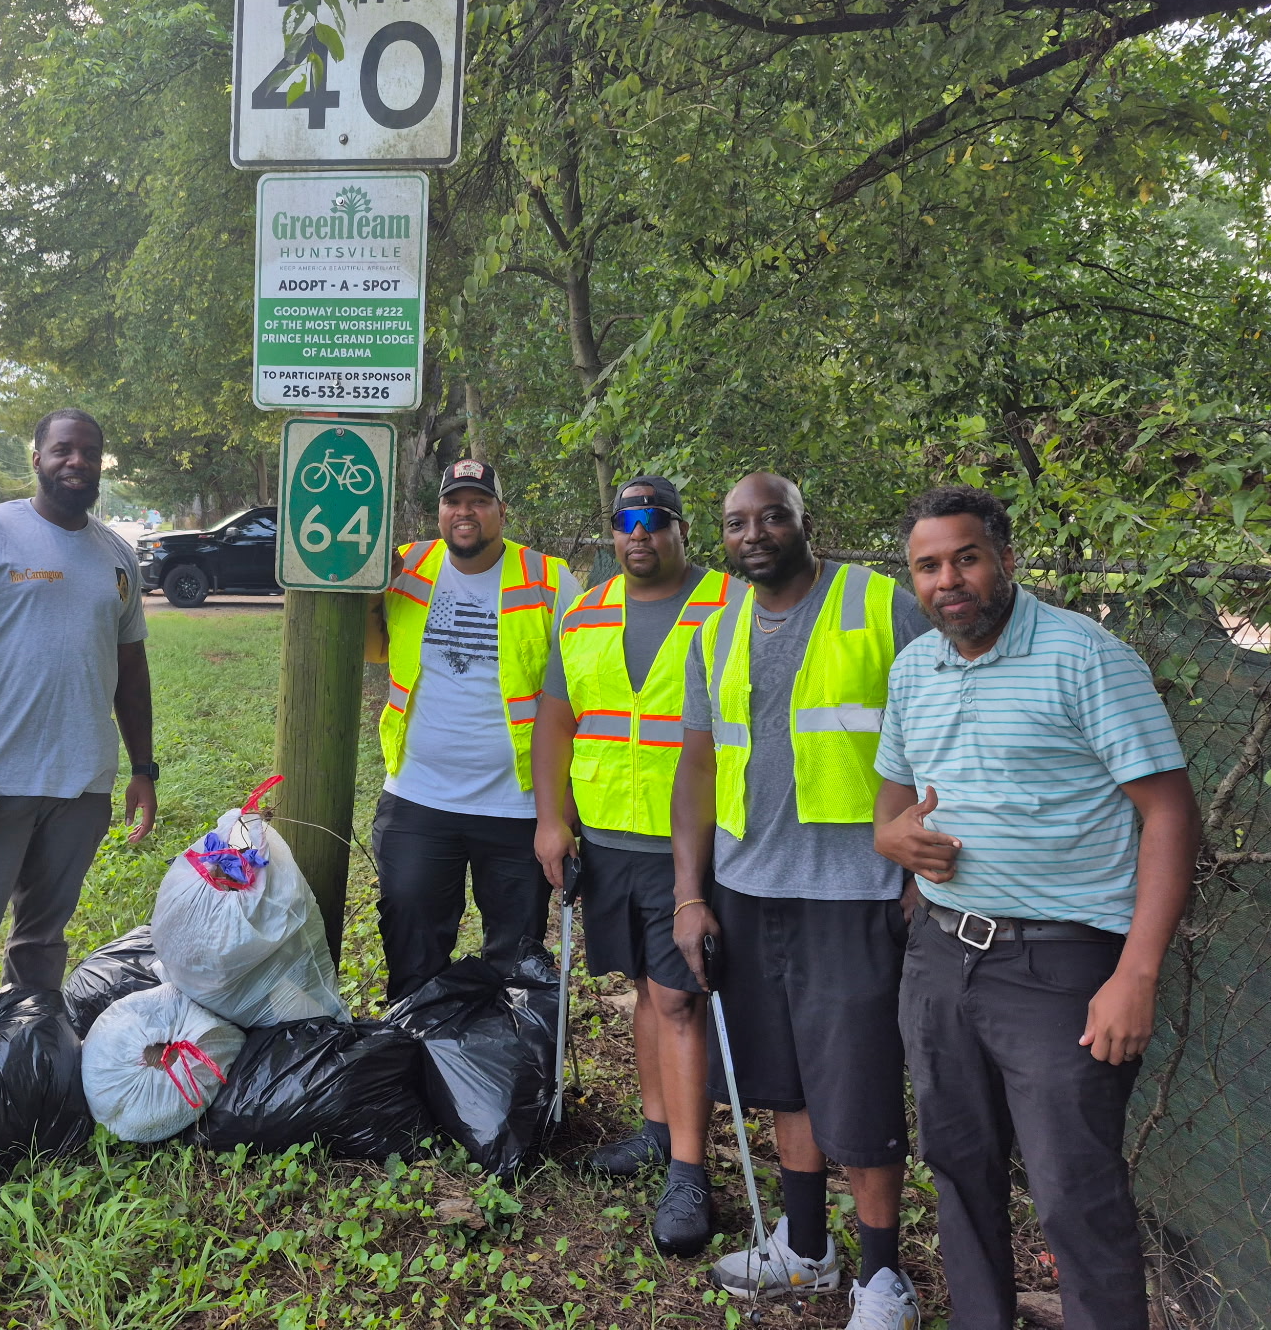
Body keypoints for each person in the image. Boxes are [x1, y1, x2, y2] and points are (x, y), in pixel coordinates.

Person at [873, 486, 1199, 1330]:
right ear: (913, 578)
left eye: (967, 558)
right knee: (957, 1167)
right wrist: (894, 842)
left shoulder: (1085, 657)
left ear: (1006, 560)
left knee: (1073, 1195)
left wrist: (1137, 972)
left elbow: (1168, 813)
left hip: (1060, 968)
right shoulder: (915, 668)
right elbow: (890, 810)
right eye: (929, 565)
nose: (950, 579)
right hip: (942, 957)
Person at [671, 472, 932, 1329]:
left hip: (853, 893)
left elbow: (946, 722)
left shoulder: (880, 604)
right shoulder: (718, 629)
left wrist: (920, 872)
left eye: (772, 516)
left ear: (803, 522)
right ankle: (808, 1247)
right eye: (736, 521)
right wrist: (690, 895)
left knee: (854, 1086)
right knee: (784, 1080)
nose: (754, 533)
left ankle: (883, 1278)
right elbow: (700, 768)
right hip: (748, 890)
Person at [0, 408, 156, 1045]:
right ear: (37, 458)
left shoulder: (117, 555)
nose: (77, 462)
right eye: (63, 450)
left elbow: (131, 667)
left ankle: (26, 1068)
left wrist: (143, 769)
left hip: (82, 786)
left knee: (42, 942)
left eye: (90, 452)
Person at [533, 476, 729, 1256]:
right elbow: (556, 719)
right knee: (647, 991)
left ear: (683, 531)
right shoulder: (582, 611)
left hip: (696, 846)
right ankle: (656, 1132)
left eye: (654, 521)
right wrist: (554, 820)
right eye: (624, 523)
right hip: (609, 839)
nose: (638, 535)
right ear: (611, 534)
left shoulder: (729, 606)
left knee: (681, 1001)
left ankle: (689, 1172)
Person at [369, 458, 580, 1002]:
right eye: (454, 502)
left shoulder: (551, 579)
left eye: (479, 502)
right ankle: (413, 1058)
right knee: (410, 940)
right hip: (418, 796)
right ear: (439, 512)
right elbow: (367, 643)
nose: (466, 512)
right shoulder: (403, 567)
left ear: (501, 512)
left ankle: (506, 1074)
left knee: (516, 964)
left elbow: (580, 695)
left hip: (516, 806)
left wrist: (563, 811)